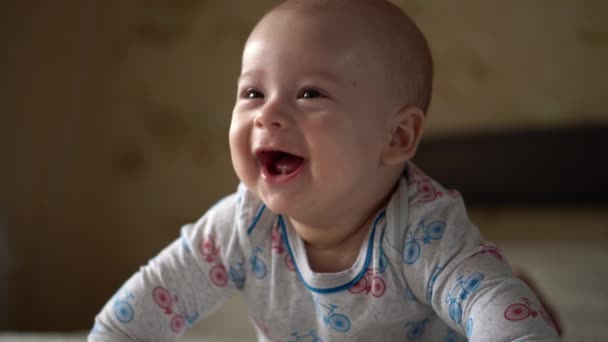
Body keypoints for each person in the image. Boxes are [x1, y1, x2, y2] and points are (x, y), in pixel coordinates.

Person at [89, 0, 561, 340]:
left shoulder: (424, 232)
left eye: (310, 94)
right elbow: (131, 318)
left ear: (396, 138)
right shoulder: (243, 224)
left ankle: (524, 284)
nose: (266, 115)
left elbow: (511, 326)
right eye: (253, 93)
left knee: (506, 301)